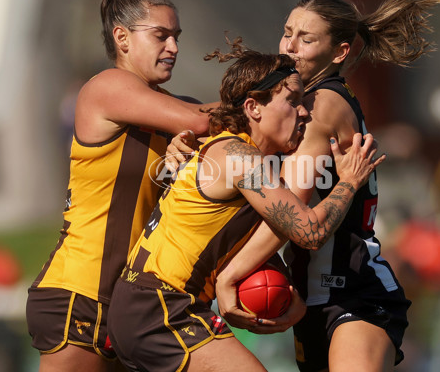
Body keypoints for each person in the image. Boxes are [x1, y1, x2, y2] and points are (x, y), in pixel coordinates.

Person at [169, 0, 440, 372]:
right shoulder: (294, 103)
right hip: (308, 293)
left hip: (355, 290)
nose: (290, 46)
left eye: (307, 39)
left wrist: (229, 277)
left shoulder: (320, 107)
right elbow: (223, 122)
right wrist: (180, 141)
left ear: (340, 53)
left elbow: (294, 221)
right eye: (287, 32)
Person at [107, 45, 384, 372]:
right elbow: (310, 232)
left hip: (148, 306)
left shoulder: (234, 150)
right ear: (253, 107)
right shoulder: (240, 157)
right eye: (293, 101)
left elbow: (230, 238)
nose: (305, 113)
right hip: (160, 309)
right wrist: (349, 181)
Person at [25, 0, 211, 372]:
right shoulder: (109, 86)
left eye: (176, 37)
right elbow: (202, 119)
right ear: (122, 37)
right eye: (161, 35)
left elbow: (209, 118)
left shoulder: (165, 109)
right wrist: (269, 96)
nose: (173, 47)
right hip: (81, 293)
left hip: (130, 306)